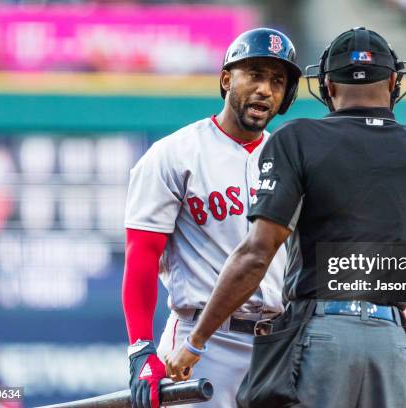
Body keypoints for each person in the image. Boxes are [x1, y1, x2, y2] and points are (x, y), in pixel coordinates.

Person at [166, 4, 406, 408]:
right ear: (395, 81)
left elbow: (257, 254)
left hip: (322, 335)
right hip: (392, 341)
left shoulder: (297, 139)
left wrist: (196, 339)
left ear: (327, 86)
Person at [122, 28, 302, 408]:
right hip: (201, 345)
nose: (265, 90)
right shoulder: (174, 153)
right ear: (226, 79)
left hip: (277, 343)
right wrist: (141, 349)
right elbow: (142, 253)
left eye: (276, 80)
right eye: (253, 74)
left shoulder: (292, 158)